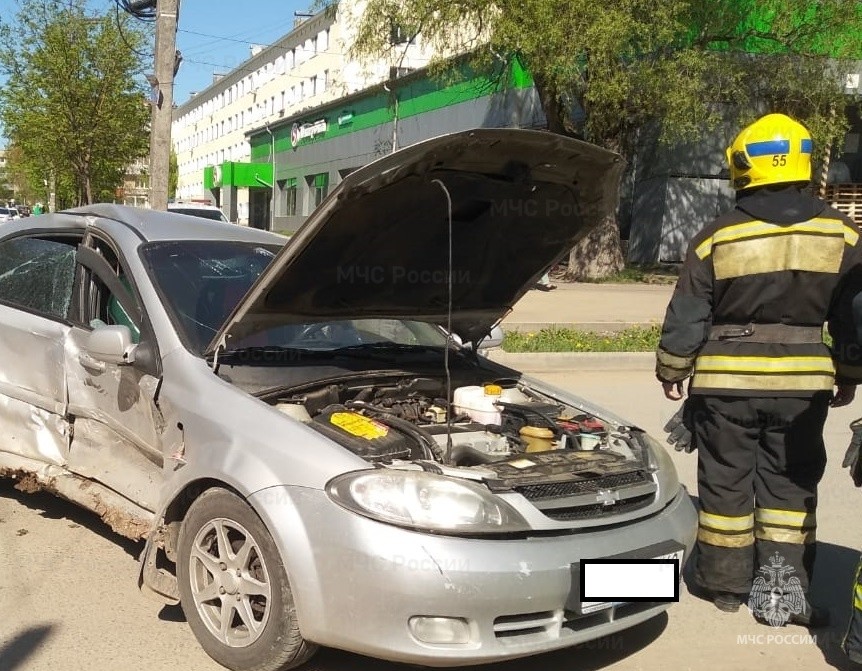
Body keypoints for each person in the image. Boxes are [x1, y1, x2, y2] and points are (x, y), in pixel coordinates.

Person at [656, 112, 862, 627]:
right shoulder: (844, 234)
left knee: (725, 485)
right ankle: (782, 599)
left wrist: (672, 367)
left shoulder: (717, 236)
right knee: (789, 493)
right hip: (803, 388)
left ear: (743, 166)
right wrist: (851, 373)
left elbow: (689, 310)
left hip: (725, 389)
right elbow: (855, 315)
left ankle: (723, 585)